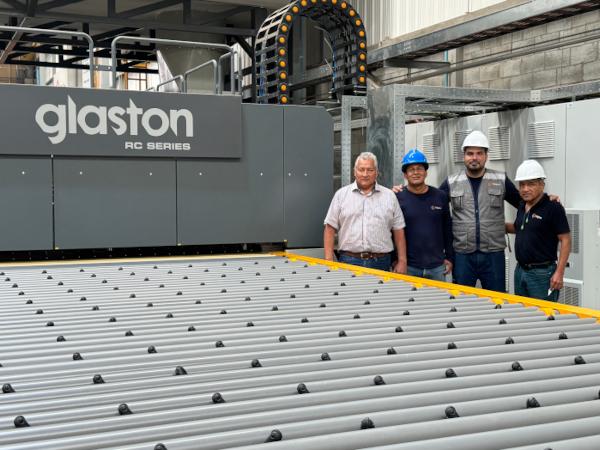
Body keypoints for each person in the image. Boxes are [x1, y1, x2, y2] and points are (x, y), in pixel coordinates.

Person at [439, 130, 521, 292]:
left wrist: (545, 199)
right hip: (462, 255)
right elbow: (432, 206)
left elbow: (524, 204)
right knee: (462, 300)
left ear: (486, 156)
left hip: (493, 255)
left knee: (496, 300)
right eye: (470, 153)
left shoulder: (501, 179)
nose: (474, 157)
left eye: (479, 153)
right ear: (464, 156)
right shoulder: (452, 182)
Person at [324, 152, 407, 272]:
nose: (365, 174)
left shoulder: (389, 196)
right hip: (349, 261)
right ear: (354, 172)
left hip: (381, 262)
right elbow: (329, 228)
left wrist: (402, 261)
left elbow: (399, 230)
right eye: (361, 169)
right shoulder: (341, 195)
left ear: (377, 172)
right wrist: (328, 260)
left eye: (370, 170)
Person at [505, 160, 571, 301]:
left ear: (542, 185)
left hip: (542, 274)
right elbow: (520, 228)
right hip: (520, 271)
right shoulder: (522, 206)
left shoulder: (553, 207)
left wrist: (559, 272)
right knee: (522, 314)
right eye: (522, 185)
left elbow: (565, 240)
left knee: (543, 317)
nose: (525, 189)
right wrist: (498, 225)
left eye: (531, 184)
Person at [396, 149, 453, 281]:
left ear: (426, 172)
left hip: (437, 267)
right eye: (411, 169)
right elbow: (392, 231)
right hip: (408, 267)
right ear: (405, 175)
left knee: (437, 301)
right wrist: (396, 260)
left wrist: (450, 257)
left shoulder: (440, 196)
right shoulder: (397, 198)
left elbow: (447, 229)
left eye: (420, 168)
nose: (416, 172)